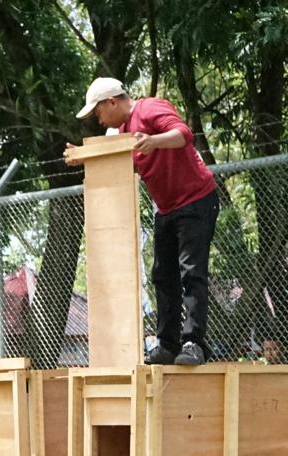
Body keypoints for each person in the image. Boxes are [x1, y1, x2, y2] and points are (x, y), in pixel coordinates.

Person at [66, 78, 219, 366]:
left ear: (112, 101)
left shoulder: (149, 109)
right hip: (166, 209)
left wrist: (153, 140)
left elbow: (183, 133)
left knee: (191, 272)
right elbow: (119, 162)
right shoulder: (122, 133)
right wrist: (82, 158)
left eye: (97, 112)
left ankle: (193, 343)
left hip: (196, 200)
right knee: (163, 275)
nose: (98, 120)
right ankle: (167, 345)